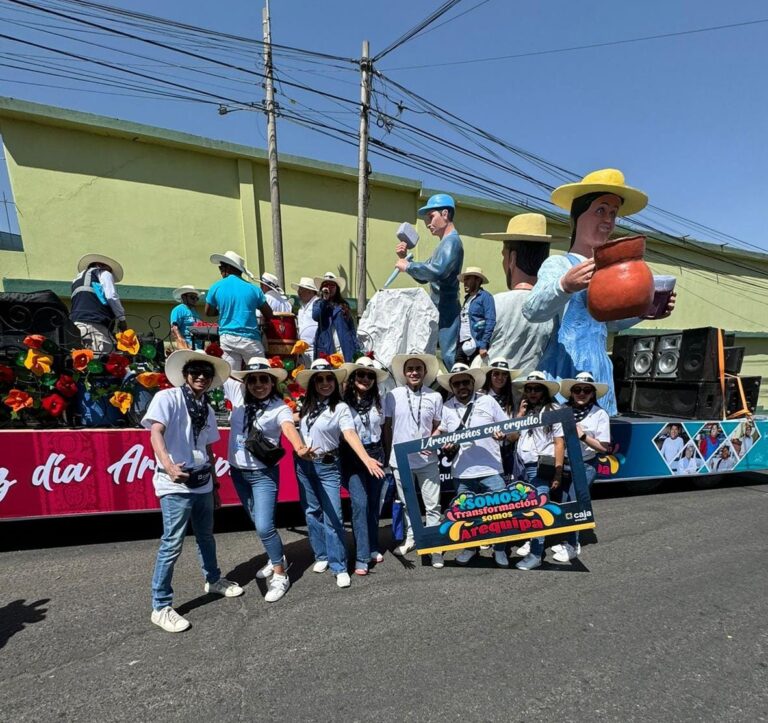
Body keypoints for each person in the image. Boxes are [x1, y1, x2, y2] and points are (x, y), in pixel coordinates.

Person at [522, 169, 675, 415]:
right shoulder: (558, 265)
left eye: (613, 214)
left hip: (598, 372)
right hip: (565, 369)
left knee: (598, 442)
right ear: (577, 216)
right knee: (562, 442)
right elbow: (532, 310)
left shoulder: (608, 272)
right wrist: (564, 285)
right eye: (600, 210)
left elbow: (608, 323)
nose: (608, 220)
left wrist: (645, 309)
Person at [142, 350, 243, 633]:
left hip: (202, 482)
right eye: (196, 371)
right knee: (172, 543)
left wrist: (216, 485)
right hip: (174, 483)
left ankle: (213, 579)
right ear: (185, 374)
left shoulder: (207, 407)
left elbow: (208, 447)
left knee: (206, 536)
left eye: (206, 373)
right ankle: (160, 606)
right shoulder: (168, 398)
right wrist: (169, 466)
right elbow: (155, 432)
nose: (201, 376)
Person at [294, 359, 384, 588]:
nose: (325, 383)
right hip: (304, 466)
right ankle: (322, 555)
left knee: (333, 514)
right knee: (312, 512)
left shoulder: (340, 407)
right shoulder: (307, 405)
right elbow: (292, 424)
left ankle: (339, 565)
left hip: (327, 464)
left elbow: (350, 433)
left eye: (329, 379)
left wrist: (367, 460)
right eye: (319, 379)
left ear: (336, 382)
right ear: (313, 383)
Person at [224, 358, 307, 603]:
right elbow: (214, 368)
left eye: (264, 379)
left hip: (262, 475)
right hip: (238, 472)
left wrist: (299, 446)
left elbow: (288, 426)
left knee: (264, 526)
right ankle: (275, 557)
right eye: (253, 379)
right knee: (255, 520)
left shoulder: (279, 407)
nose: (258, 384)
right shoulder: (238, 394)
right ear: (246, 381)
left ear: (272, 382)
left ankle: (281, 574)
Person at [437, 362, 510, 568]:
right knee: (468, 515)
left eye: (465, 382)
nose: (462, 386)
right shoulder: (447, 407)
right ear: (452, 387)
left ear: (473, 383)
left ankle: (500, 549)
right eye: (457, 383)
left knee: (500, 512)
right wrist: (438, 444)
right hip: (462, 472)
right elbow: (441, 435)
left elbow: (512, 432)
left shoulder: (488, 401)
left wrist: (503, 434)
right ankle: (470, 547)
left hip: (491, 469)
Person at [382, 353, 445, 568]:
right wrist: (390, 451)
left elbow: (438, 426)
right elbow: (387, 427)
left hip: (427, 461)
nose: (414, 372)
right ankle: (412, 538)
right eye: (410, 369)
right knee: (409, 505)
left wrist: (432, 441)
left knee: (433, 506)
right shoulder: (393, 395)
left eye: (418, 368)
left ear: (425, 372)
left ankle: (435, 546)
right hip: (400, 461)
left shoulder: (435, 396)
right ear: (404, 373)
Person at [395, 194, 464, 370]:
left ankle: (458, 386)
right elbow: (425, 274)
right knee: (437, 354)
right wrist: (406, 261)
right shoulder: (443, 244)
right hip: (438, 308)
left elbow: (437, 270)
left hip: (446, 309)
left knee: (449, 355)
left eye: (431, 216)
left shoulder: (452, 242)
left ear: (445, 214)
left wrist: (408, 266)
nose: (428, 223)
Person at [482, 213, 555, 370]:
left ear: (512, 258)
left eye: (504, 255)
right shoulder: (553, 309)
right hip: (536, 390)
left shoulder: (493, 304)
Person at [340, 356, 390, 575]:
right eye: (361, 374)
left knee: (373, 504)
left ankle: (372, 546)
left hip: (376, 453)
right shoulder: (343, 402)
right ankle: (361, 556)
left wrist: (386, 455)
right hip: (353, 457)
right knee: (359, 504)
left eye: (370, 376)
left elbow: (385, 428)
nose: (366, 379)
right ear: (353, 377)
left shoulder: (381, 400)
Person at [509, 372, 564, 570]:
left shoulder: (554, 409)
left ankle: (536, 554)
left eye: (537, 388)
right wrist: (520, 415)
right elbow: (512, 438)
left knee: (539, 510)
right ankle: (531, 544)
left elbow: (559, 443)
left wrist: (557, 472)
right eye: (529, 389)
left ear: (545, 391)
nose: (532, 392)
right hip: (521, 467)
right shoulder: (524, 410)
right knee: (524, 510)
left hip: (541, 467)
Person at [555, 372, 611, 563]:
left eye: (586, 390)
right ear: (571, 392)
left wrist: (583, 436)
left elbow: (604, 448)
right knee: (563, 502)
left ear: (592, 393)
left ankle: (573, 544)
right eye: (577, 389)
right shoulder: (562, 409)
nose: (581, 393)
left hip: (585, 465)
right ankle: (566, 538)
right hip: (565, 465)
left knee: (574, 501)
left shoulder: (599, 414)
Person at [205, 250, 273, 371]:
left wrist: (223, 310)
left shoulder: (216, 287)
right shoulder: (254, 289)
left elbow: (208, 312)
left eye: (221, 267)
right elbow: (269, 313)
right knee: (260, 373)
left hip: (227, 338)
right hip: (250, 339)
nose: (220, 271)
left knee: (230, 377)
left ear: (228, 268)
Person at [70, 253, 127, 354]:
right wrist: (122, 319)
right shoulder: (104, 273)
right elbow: (111, 296)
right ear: (100, 265)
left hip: (77, 326)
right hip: (94, 326)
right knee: (104, 361)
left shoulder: (76, 280)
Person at [480, 358, 522, 477]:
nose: (500, 377)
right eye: (496, 374)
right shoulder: (479, 396)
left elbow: (514, 434)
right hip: (485, 450)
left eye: (504, 374)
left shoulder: (514, 398)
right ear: (489, 375)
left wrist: (519, 417)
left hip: (507, 450)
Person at [312, 272, 359, 362]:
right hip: (326, 346)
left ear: (337, 289)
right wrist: (324, 300)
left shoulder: (343, 304)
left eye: (332, 285)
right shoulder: (318, 303)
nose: (329, 288)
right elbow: (316, 316)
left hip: (343, 346)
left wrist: (354, 344)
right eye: (326, 285)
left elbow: (350, 327)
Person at [455, 267, 496, 365]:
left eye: (468, 279)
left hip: (476, 344)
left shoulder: (485, 297)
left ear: (478, 280)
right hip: (462, 344)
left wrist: (483, 345)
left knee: (476, 375)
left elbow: (490, 320)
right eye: (464, 280)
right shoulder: (467, 299)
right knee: (459, 373)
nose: (465, 282)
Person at [291, 276, 319, 364]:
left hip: (315, 348)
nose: (298, 292)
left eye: (301, 289)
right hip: (303, 349)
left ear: (310, 291)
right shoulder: (302, 308)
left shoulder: (318, 304)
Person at [170, 285, 203, 350]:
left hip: (198, 347)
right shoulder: (178, 309)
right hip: (187, 346)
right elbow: (174, 328)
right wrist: (182, 342)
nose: (195, 300)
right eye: (192, 297)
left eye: (197, 298)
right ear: (184, 297)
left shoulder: (195, 311)